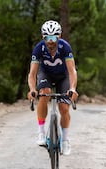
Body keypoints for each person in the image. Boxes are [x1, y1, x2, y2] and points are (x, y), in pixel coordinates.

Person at [27, 20, 78, 155]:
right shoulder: (39, 49)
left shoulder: (65, 47)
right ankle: (41, 133)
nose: (51, 41)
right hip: (46, 75)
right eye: (47, 38)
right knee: (44, 92)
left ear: (59, 36)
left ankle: (65, 140)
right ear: (43, 37)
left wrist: (72, 88)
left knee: (64, 107)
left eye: (54, 37)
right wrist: (32, 89)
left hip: (63, 76)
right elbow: (32, 74)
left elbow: (72, 71)